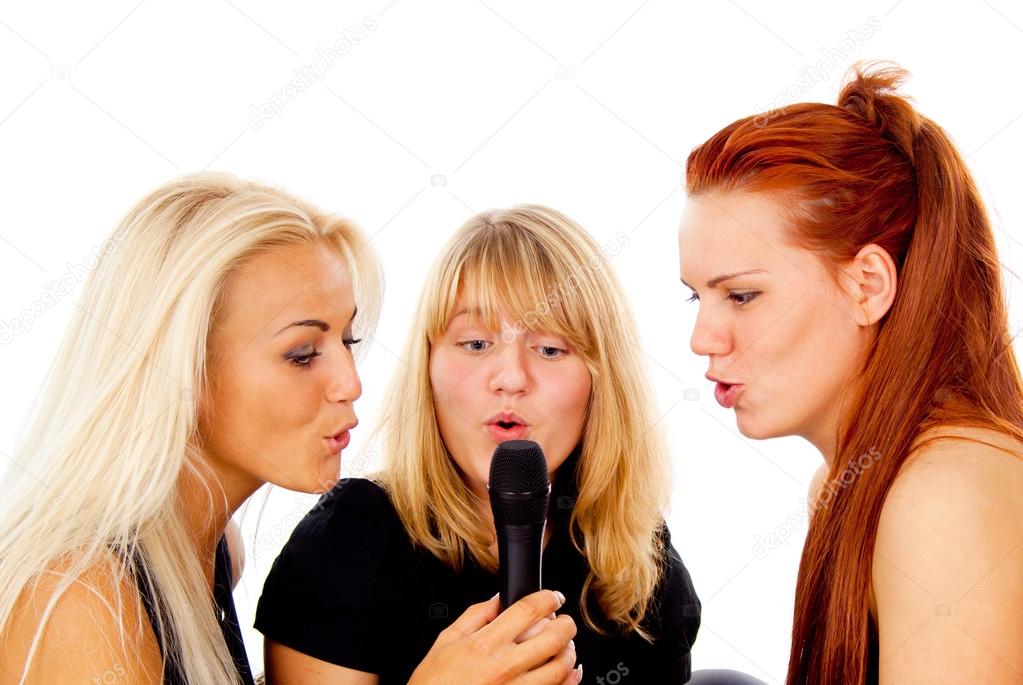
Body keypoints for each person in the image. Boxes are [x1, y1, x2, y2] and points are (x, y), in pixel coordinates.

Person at [0, 173, 578, 685]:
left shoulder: (217, 553)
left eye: (347, 341)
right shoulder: (80, 601)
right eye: (303, 353)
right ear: (180, 368)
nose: (350, 382)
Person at [679, 60, 1023, 683]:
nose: (703, 338)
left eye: (743, 296)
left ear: (867, 285)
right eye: (695, 297)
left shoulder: (942, 495)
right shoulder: (847, 482)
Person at [256, 205, 702, 683]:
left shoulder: (642, 562)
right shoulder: (350, 539)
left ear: (601, 381)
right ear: (428, 366)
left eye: (550, 349)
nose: (510, 378)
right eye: (475, 344)